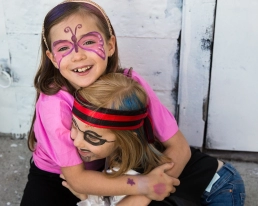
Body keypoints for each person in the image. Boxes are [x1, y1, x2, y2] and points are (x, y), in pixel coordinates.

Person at [20, 0, 191, 205]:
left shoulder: (130, 84)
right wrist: (145, 185)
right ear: (53, 59)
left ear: (110, 45)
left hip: (115, 168)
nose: (78, 56)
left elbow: (180, 147)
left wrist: (156, 185)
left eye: (89, 42)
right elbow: (77, 180)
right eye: (64, 47)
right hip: (57, 178)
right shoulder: (54, 104)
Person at [63, 73, 245, 206]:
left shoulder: (137, 169)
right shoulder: (117, 155)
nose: (76, 141)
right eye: (75, 126)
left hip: (219, 184)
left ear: (125, 140)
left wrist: (86, 198)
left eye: (92, 136)